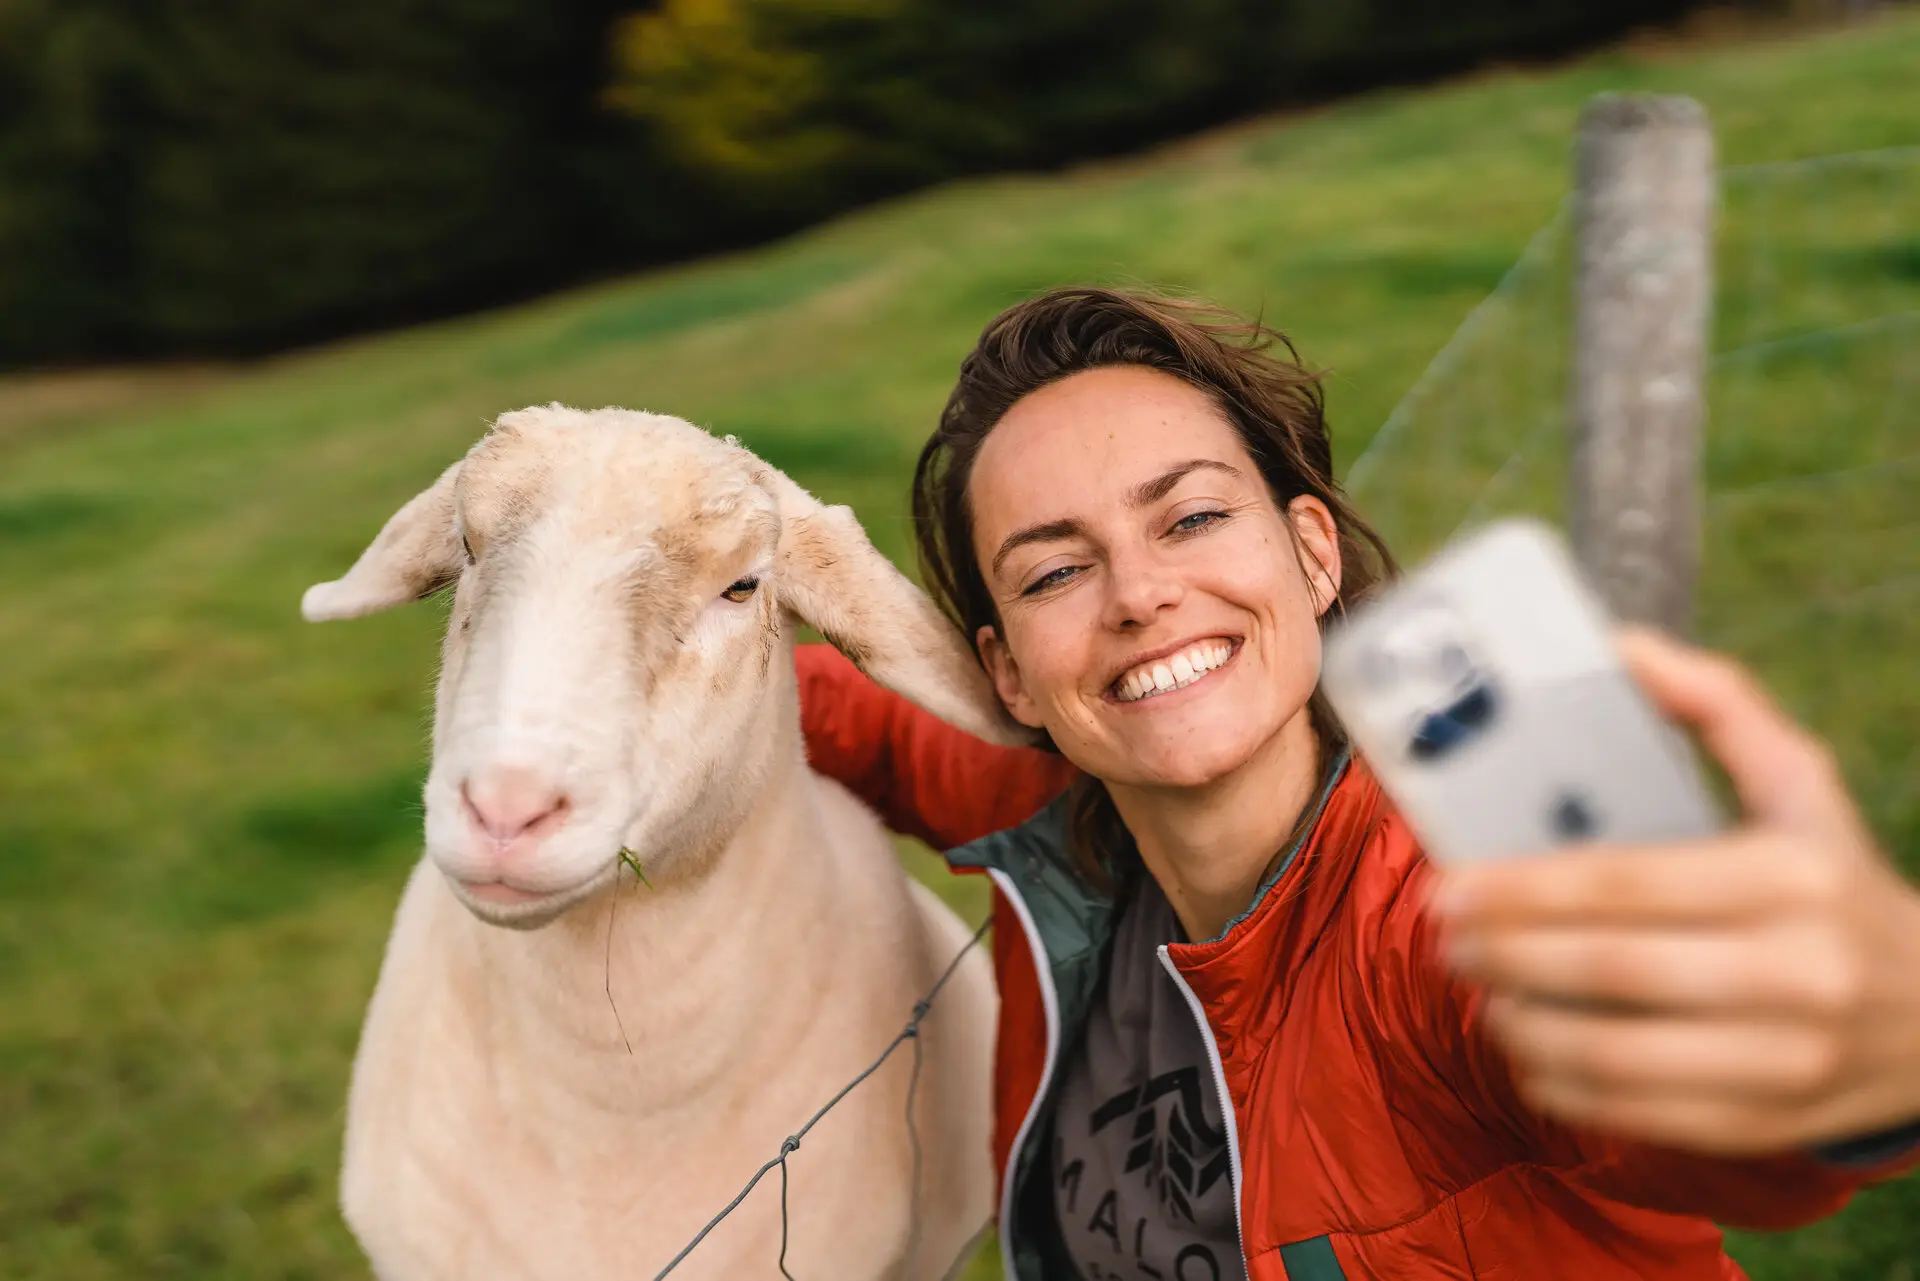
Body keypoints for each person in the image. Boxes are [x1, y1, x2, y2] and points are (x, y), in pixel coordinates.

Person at [792, 286, 1917, 1281]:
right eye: (1055, 571)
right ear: (1009, 676)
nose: (1139, 595)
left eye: (1190, 518)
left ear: (1313, 554)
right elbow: (819, 710)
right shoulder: (1044, 812)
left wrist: (1864, 1062)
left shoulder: (1444, 922)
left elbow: (1701, 1121)